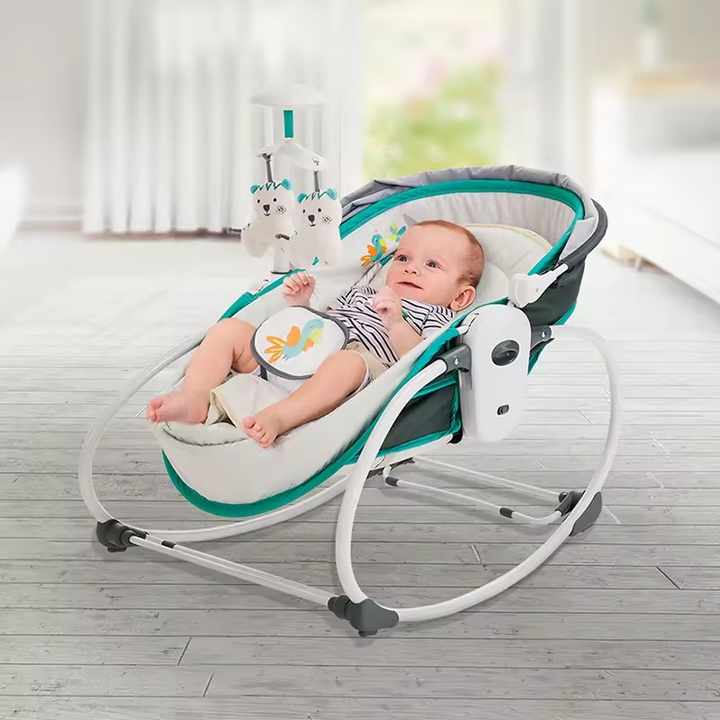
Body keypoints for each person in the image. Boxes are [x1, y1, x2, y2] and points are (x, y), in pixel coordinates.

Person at [146, 220, 485, 447]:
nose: (410, 268)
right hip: (295, 356)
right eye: (403, 257)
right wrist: (302, 305)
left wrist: (396, 323)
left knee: (346, 363)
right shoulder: (364, 291)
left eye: (431, 265)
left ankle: (281, 417)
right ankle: (195, 398)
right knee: (228, 330)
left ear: (460, 297)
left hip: (351, 377)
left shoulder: (438, 315)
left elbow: (422, 359)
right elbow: (322, 324)